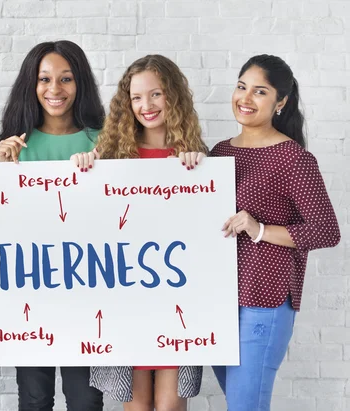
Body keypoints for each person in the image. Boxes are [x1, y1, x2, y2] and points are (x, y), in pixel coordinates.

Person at [71, 55, 204, 411]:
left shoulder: (194, 159)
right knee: (137, 406)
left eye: (156, 94)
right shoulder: (111, 157)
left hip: (177, 302)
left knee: (170, 407)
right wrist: (85, 168)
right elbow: (86, 222)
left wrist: (199, 175)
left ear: (173, 96)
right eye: (137, 97)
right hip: (128, 301)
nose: (146, 106)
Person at [209, 54, 340, 411]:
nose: (245, 98)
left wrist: (259, 228)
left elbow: (326, 230)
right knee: (240, 402)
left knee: (245, 405)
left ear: (280, 102)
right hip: (218, 300)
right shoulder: (219, 153)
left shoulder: (293, 159)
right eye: (241, 87)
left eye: (260, 91)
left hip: (264, 300)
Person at [0, 40, 105, 411]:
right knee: (35, 399)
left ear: (81, 84)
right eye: (45, 79)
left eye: (66, 79)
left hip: (86, 295)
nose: (55, 90)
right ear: (32, 84)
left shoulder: (102, 142)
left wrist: (103, 168)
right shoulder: (14, 146)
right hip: (30, 294)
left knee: (86, 400)